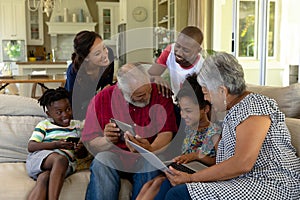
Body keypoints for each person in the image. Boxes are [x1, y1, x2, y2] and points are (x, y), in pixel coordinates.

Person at [141, 52, 300, 200]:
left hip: (273, 183)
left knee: (179, 194)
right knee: (168, 184)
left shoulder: (254, 107)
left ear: (222, 91)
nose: (206, 98)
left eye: (206, 93)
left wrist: (191, 178)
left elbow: (242, 163)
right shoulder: (232, 111)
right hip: (242, 180)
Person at [81, 62, 178, 200]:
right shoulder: (101, 99)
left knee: (151, 162)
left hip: (145, 156)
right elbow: (91, 143)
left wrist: (150, 149)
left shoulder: (160, 93)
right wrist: (107, 140)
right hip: (114, 155)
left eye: (148, 91)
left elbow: (166, 133)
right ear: (122, 91)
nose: (147, 97)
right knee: (102, 160)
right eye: (139, 95)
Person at [142, 73, 222, 200]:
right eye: (181, 109)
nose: (183, 115)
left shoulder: (214, 131)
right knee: (152, 183)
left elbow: (219, 162)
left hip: (200, 175)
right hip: (185, 169)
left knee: (161, 185)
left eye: (188, 111)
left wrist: (196, 156)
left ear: (205, 109)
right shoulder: (188, 129)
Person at [25, 87, 86, 200]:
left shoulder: (77, 126)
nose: (65, 115)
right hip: (40, 160)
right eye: (59, 112)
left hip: (64, 167)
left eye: (68, 109)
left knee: (44, 178)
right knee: (60, 159)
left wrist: (80, 149)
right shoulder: (45, 125)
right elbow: (31, 146)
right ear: (49, 114)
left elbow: (82, 155)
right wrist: (56, 145)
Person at [64, 30, 115, 120]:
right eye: (97, 53)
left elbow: (107, 86)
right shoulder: (74, 72)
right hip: (79, 105)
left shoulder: (109, 55)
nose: (104, 55)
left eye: (104, 47)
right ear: (86, 58)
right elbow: (74, 104)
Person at [148, 26, 204, 98]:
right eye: (177, 46)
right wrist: (155, 78)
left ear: (198, 50)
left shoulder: (202, 67)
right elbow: (149, 75)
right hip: (175, 101)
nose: (179, 53)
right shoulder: (169, 50)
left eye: (186, 50)